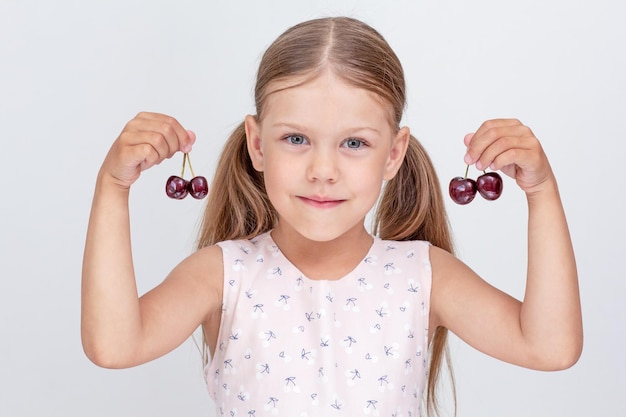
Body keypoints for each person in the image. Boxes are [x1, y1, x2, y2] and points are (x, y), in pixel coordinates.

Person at [81, 16, 583, 416]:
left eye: (354, 143)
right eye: (296, 139)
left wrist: (541, 192)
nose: (323, 171)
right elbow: (114, 346)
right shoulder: (223, 274)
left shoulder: (421, 275)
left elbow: (550, 348)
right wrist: (113, 187)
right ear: (258, 143)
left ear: (393, 153)